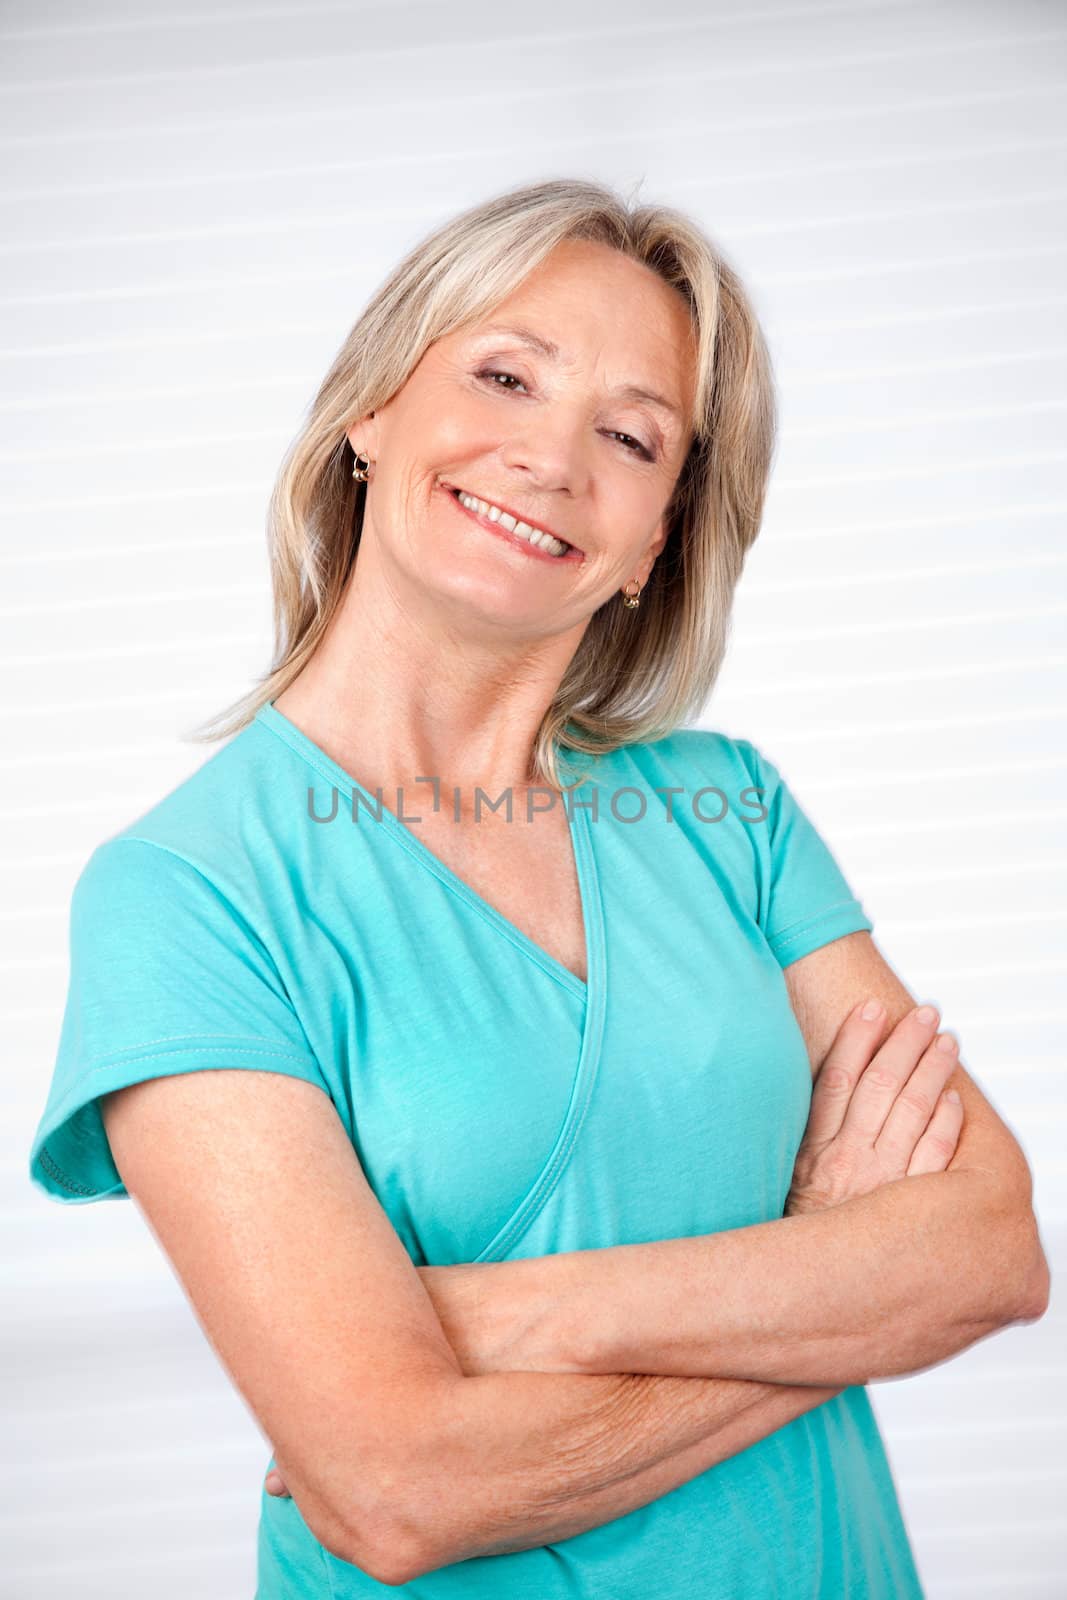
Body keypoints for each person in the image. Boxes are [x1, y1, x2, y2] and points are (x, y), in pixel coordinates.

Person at [28, 178, 1048, 1597]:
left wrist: (500, 1322)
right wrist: (833, 1282)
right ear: (367, 414)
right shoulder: (185, 895)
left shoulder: (725, 811)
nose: (552, 460)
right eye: (504, 375)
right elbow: (394, 1491)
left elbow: (992, 1249)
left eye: (631, 438)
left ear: (653, 549)